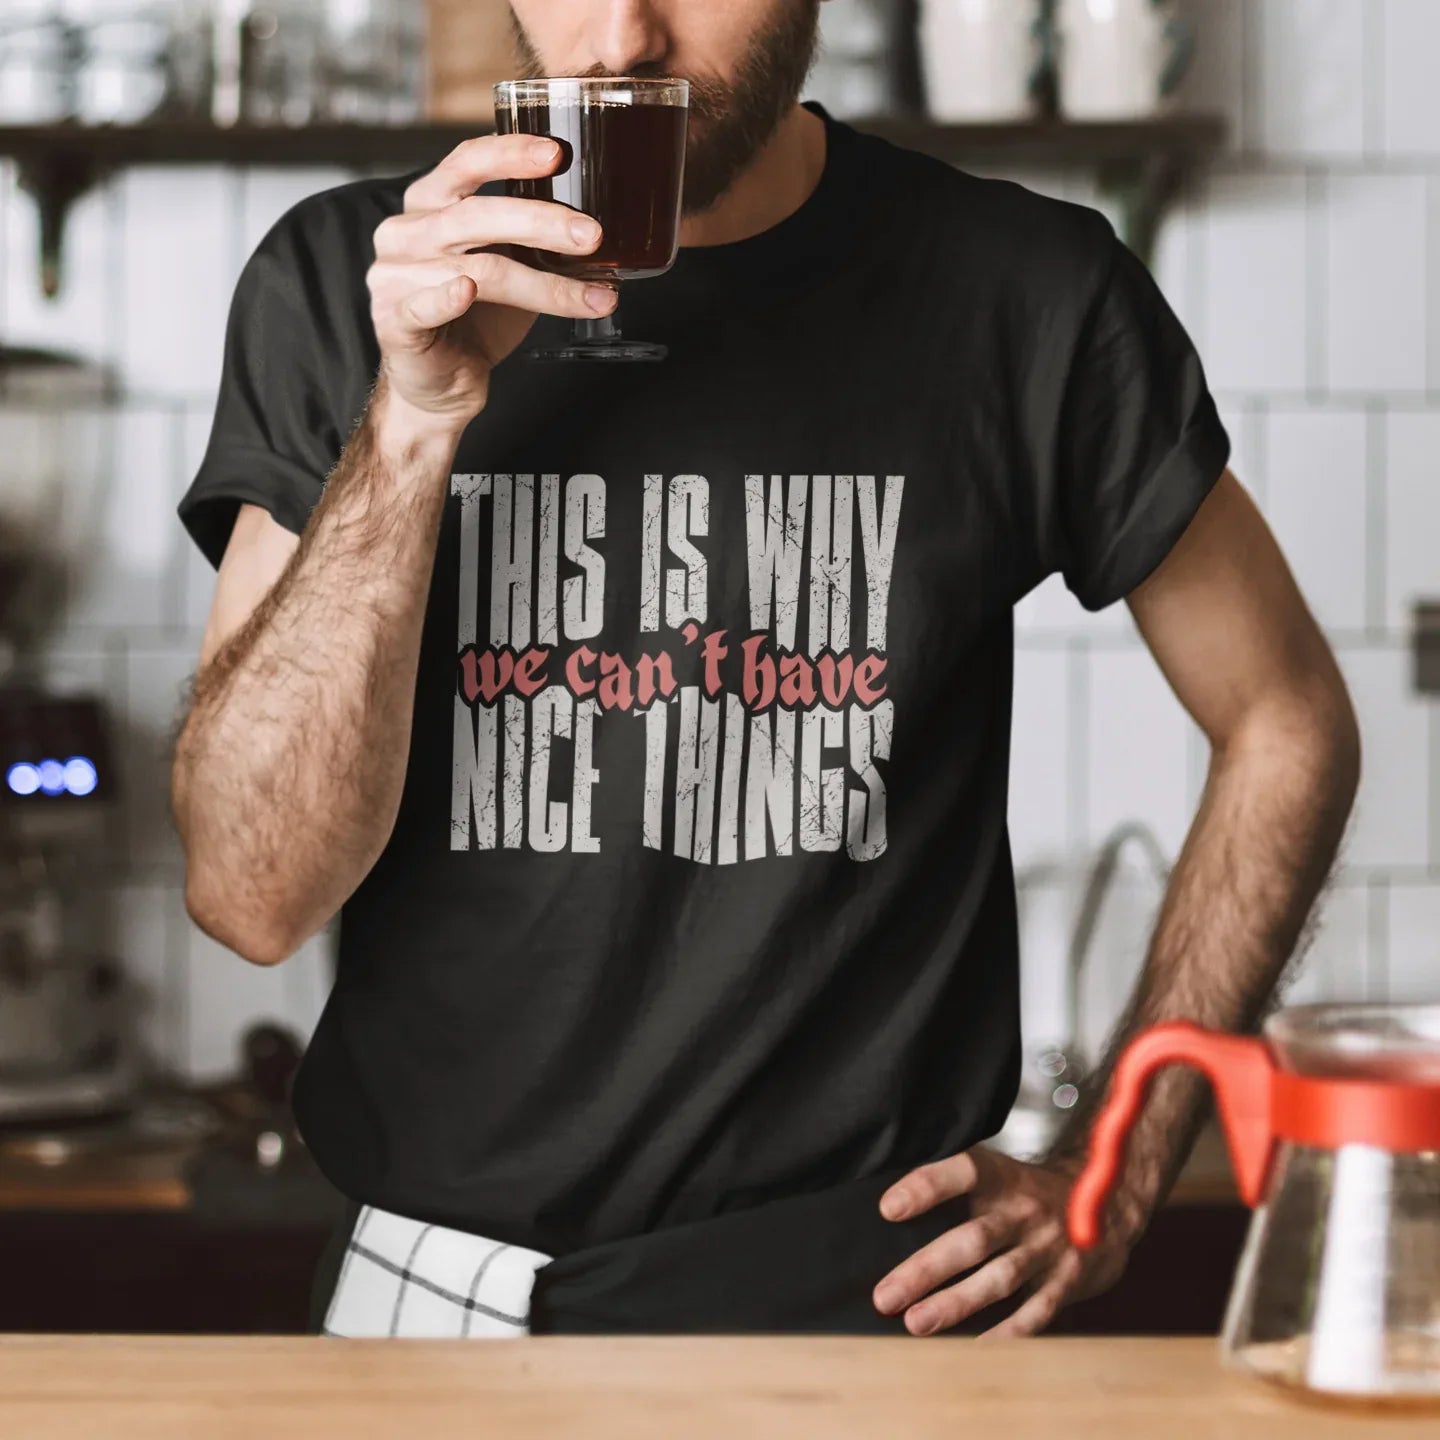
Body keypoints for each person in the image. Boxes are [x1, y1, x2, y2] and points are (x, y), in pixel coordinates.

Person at [172, 0, 1360, 1339]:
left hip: (869, 1312)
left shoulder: (1025, 290)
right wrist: (412, 422)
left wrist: (1117, 1164)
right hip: (434, 1295)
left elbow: (1286, 718)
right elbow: (250, 893)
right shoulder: (347, 281)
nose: (618, 40)